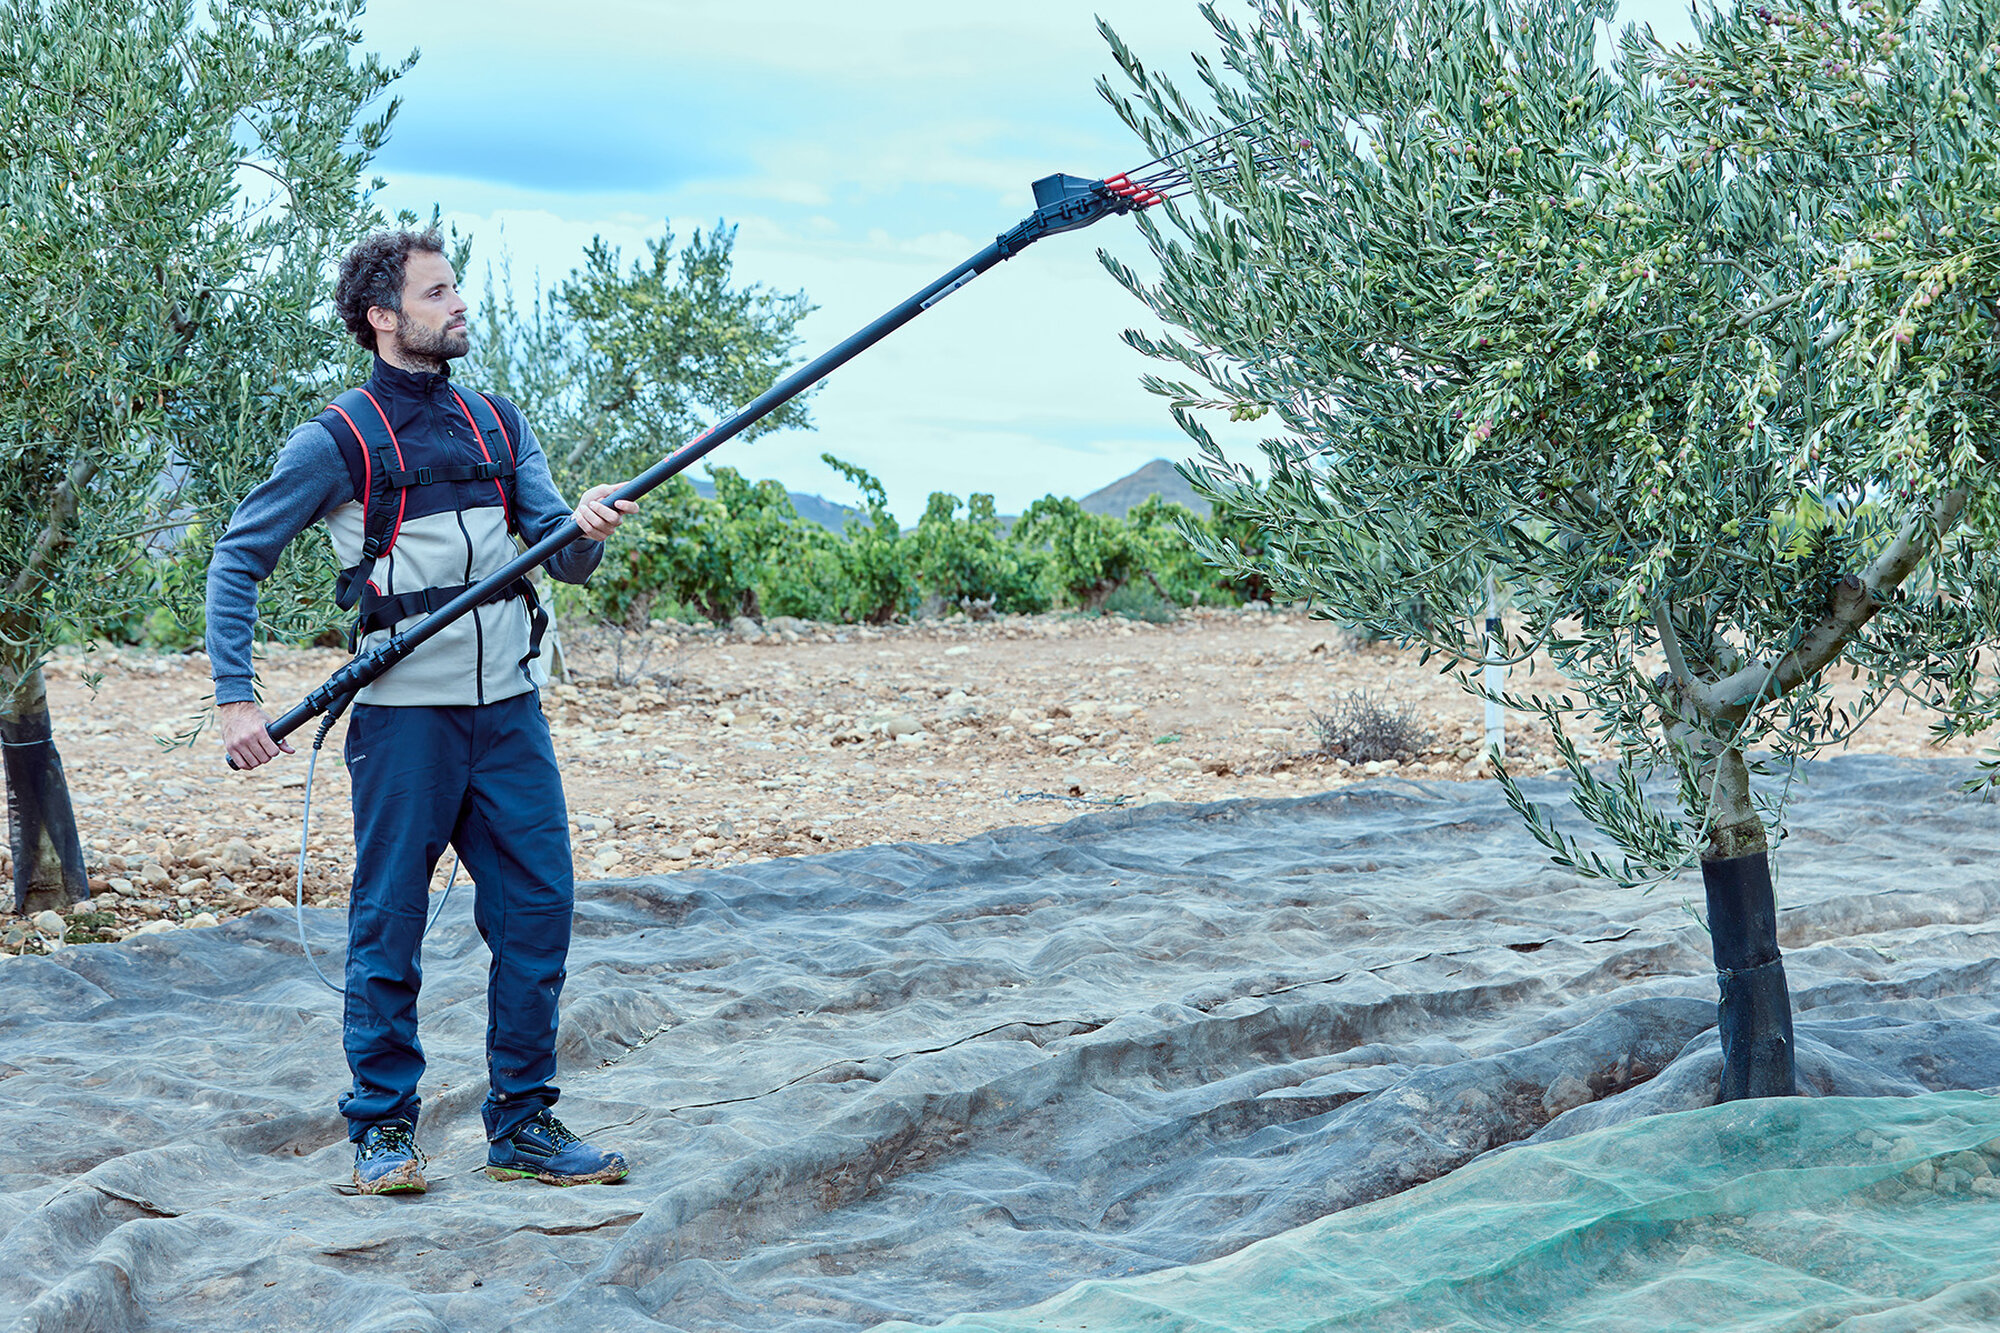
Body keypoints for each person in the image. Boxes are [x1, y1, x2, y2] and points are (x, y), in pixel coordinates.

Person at [206, 228, 638, 1195]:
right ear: (382, 316)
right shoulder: (339, 439)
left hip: (510, 716)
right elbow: (237, 558)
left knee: (538, 910)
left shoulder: (496, 422)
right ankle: (382, 1132)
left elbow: (559, 553)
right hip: (405, 721)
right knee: (390, 920)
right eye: (438, 292)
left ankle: (522, 1123)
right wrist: (237, 698)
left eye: (457, 288)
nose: (458, 304)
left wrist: (590, 530)